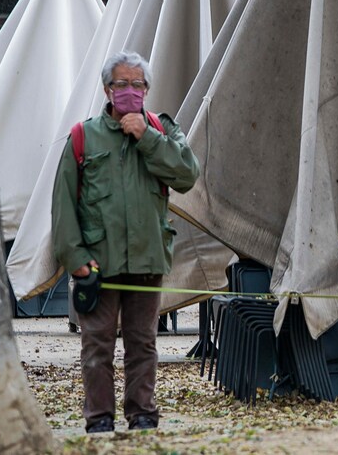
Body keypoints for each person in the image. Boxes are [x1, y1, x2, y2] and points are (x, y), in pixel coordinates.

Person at [51, 51, 200, 434]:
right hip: (97, 264)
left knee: (143, 343)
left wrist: (147, 138)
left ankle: (143, 415)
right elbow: (63, 206)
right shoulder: (83, 136)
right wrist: (76, 260)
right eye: (122, 84)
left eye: (137, 84)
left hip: (147, 259)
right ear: (107, 89)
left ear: (147, 89)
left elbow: (187, 175)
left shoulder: (162, 130)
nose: (130, 91)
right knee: (96, 345)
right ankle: (99, 419)